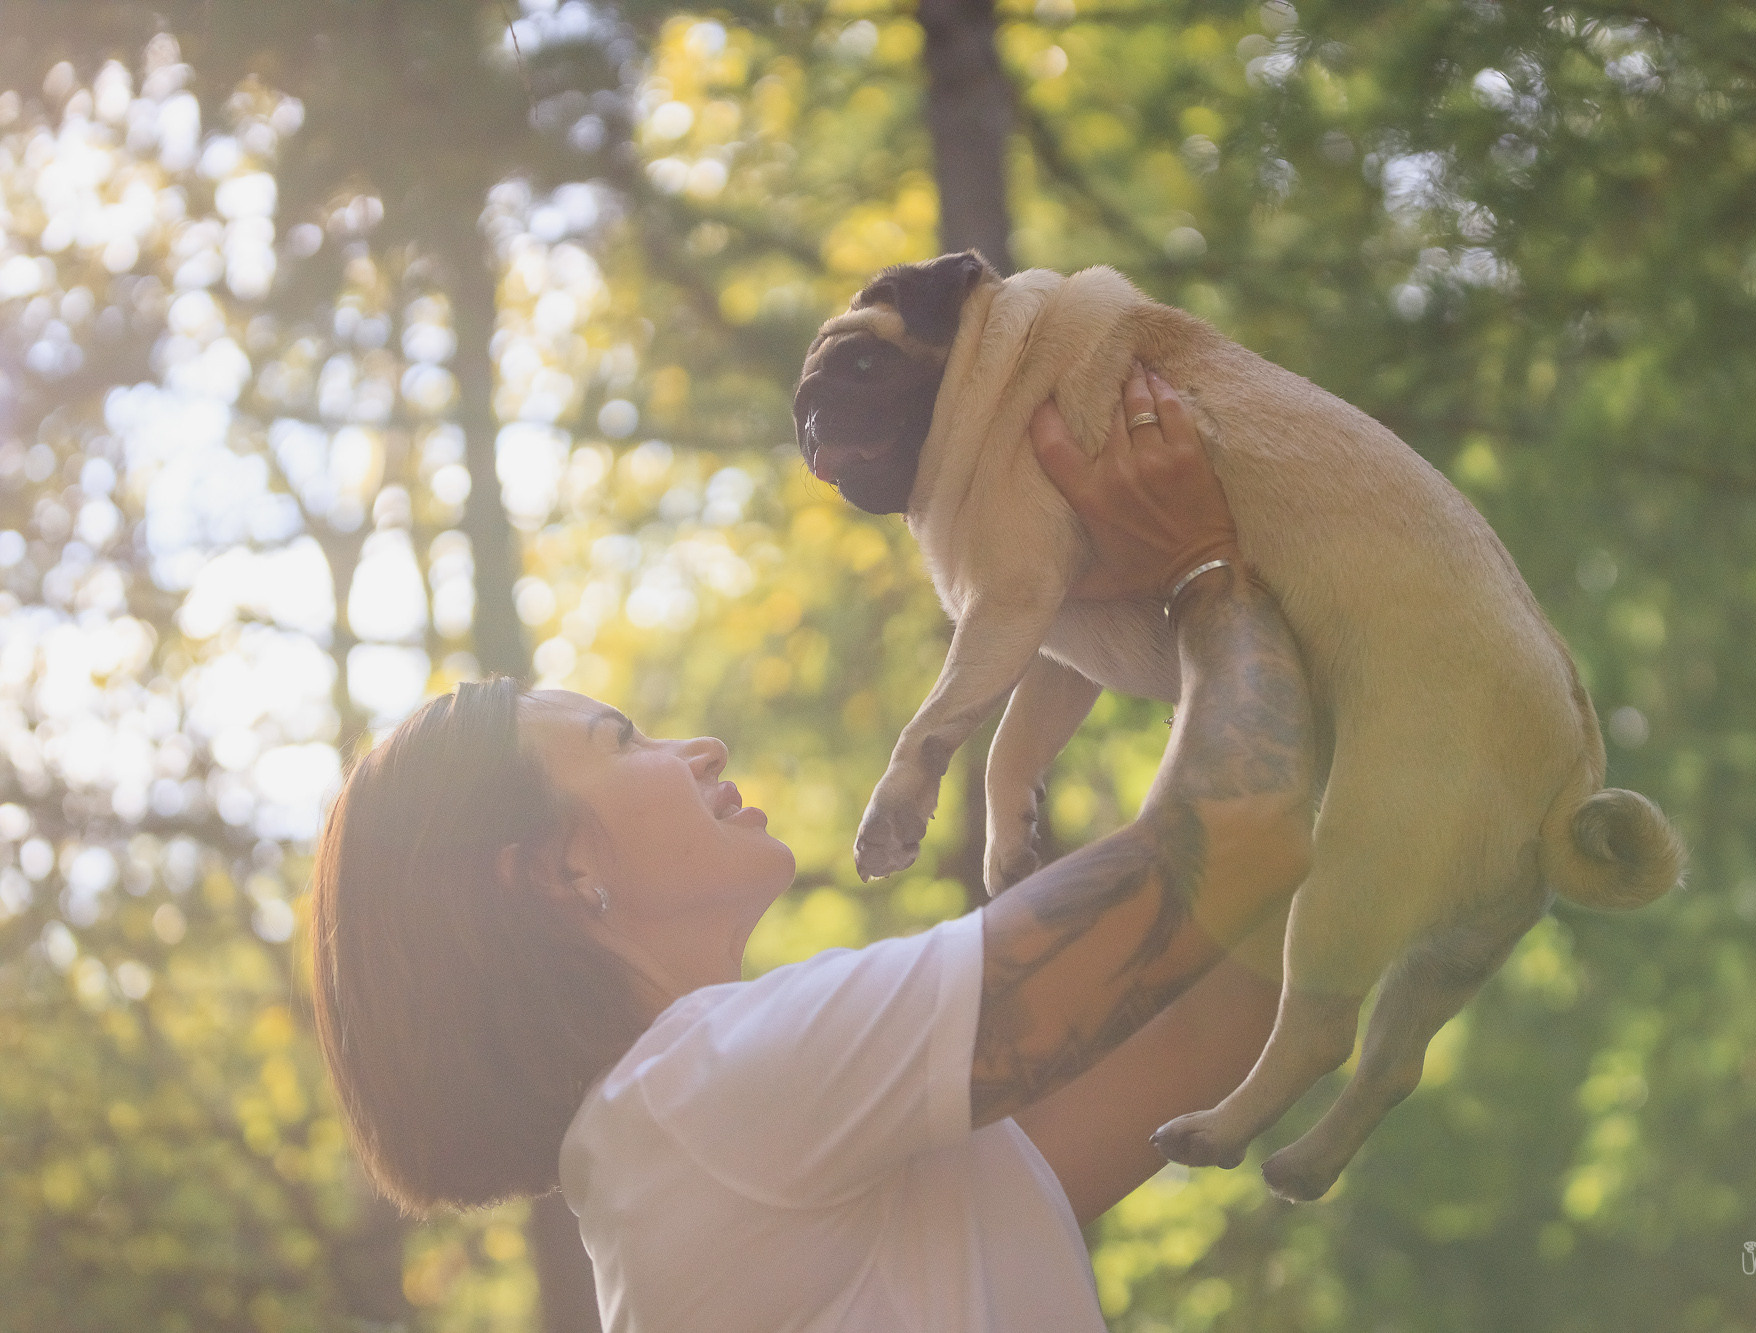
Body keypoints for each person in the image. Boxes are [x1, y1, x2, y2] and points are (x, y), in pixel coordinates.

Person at [308, 364, 1319, 1332]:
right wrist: (1197, 560)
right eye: (621, 740)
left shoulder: (715, 1148)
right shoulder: (706, 1093)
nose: (695, 747)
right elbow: (1235, 840)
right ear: (557, 868)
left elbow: (1211, 1028)